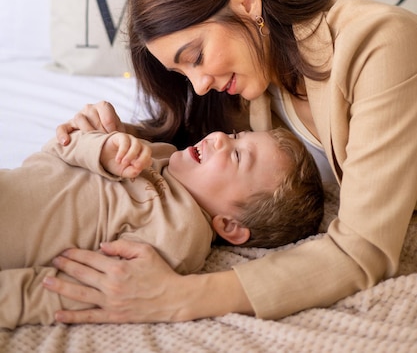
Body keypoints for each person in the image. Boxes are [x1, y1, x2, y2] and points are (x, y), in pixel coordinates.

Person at [44, 0, 417, 324]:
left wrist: (181, 296)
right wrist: (112, 136)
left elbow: (364, 249)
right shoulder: (258, 67)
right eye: (182, 71)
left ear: (245, 3)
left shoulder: (380, 43)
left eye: (197, 56)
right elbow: (196, 149)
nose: (199, 85)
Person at [0, 125, 323, 328]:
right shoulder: (160, 154)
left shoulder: (180, 235)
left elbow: (87, 288)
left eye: (238, 156)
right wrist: (103, 148)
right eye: (237, 135)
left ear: (229, 226)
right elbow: (56, 148)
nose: (222, 138)